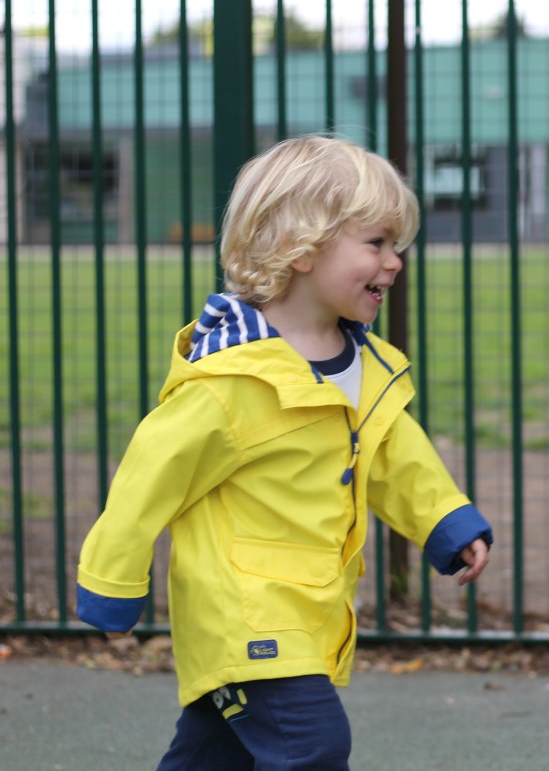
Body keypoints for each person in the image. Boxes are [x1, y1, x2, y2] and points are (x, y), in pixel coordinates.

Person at [75, 134, 493, 770]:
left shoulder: (365, 366)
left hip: (309, 612)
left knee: (214, 757)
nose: (395, 261)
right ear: (300, 246)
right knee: (312, 748)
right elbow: (146, 481)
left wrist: (446, 522)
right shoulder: (231, 381)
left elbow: (395, 458)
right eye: (376, 243)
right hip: (245, 617)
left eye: (396, 245)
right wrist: (112, 583)